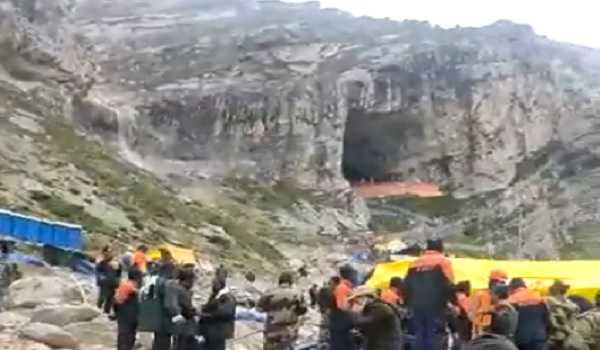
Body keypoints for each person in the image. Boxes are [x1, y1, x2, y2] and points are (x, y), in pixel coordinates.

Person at [405, 239, 455, 350]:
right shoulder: (443, 262)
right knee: (434, 334)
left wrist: (408, 304)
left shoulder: (414, 263)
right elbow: (450, 285)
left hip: (416, 306)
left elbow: (406, 286)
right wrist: (452, 303)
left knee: (419, 334)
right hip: (436, 306)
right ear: (441, 248)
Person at [258, 272, 308, 350]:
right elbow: (303, 310)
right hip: (290, 329)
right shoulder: (297, 294)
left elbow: (259, 308)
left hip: (272, 328)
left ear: (279, 282)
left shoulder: (269, 293)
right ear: (291, 282)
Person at [349, 286, 403, 350]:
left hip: (386, 346)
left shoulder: (379, 308)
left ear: (366, 298)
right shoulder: (370, 309)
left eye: (357, 300)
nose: (355, 304)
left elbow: (364, 322)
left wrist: (348, 316)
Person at [508, 278, 550, 350]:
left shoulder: (511, 300)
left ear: (511, 288)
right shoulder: (539, 298)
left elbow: (507, 323)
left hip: (519, 340)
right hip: (539, 338)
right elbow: (547, 319)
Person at [199, 278, 237, 350]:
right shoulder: (216, 295)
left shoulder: (227, 297)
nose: (212, 286)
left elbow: (226, 312)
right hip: (210, 331)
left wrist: (207, 315)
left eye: (214, 284)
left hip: (218, 332)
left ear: (220, 285)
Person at [470, 270, 508, 336]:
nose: (502, 285)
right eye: (501, 283)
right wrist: (490, 309)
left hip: (497, 331)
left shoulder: (503, 296)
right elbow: (472, 313)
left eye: (504, 283)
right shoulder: (481, 294)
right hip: (482, 332)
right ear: (493, 282)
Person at [167, 268, 198, 350]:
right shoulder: (183, 292)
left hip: (178, 326)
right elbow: (188, 310)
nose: (193, 284)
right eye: (192, 281)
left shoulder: (176, 289)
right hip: (185, 327)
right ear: (188, 280)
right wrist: (197, 312)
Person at [329, 265, 357, 350]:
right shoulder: (342, 288)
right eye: (354, 274)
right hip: (340, 326)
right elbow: (343, 307)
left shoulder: (347, 287)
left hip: (343, 326)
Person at [115, 268, 143, 350]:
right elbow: (119, 300)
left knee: (126, 336)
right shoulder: (129, 286)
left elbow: (117, 301)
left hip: (126, 315)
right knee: (127, 336)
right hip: (128, 315)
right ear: (137, 277)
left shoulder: (125, 285)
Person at [547, 280, 580, 350]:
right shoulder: (570, 302)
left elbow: (551, 320)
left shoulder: (549, 300)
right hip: (569, 335)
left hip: (556, 337)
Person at [96, 246, 121, 315]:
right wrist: (101, 279)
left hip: (112, 283)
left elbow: (119, 273)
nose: (109, 253)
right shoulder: (101, 262)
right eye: (108, 252)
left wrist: (117, 281)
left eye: (110, 252)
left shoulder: (116, 263)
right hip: (105, 283)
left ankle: (106, 312)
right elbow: (98, 272)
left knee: (110, 299)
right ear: (104, 252)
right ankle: (97, 311)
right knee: (102, 297)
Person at [318, 276, 340, 343]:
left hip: (335, 314)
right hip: (328, 312)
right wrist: (323, 308)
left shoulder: (338, 291)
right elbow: (320, 300)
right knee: (325, 326)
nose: (329, 285)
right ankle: (323, 340)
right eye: (329, 283)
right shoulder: (325, 290)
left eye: (330, 283)